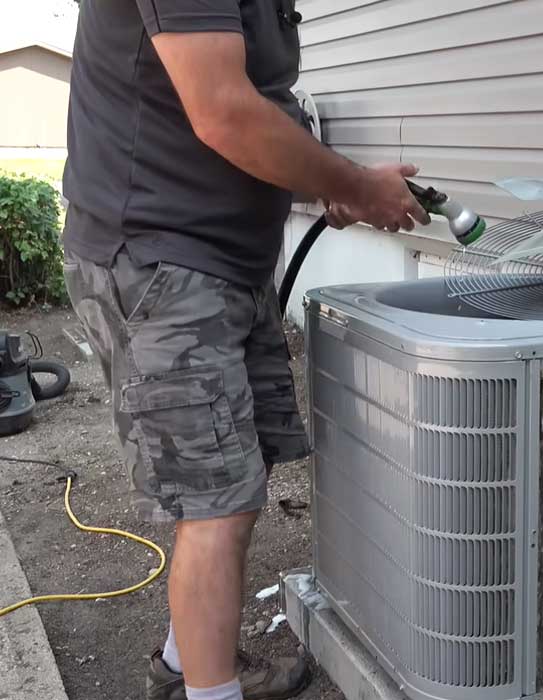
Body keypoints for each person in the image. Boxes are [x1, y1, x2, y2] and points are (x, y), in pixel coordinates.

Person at [61, 2, 429, 699]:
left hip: (223, 262)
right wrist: (352, 185)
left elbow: (258, 107)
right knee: (215, 504)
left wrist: (329, 178)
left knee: (237, 479)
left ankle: (183, 664)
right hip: (159, 261)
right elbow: (223, 111)